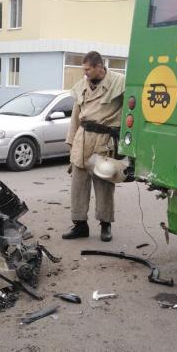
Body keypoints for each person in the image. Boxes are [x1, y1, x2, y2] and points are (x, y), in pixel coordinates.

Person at [62, 51, 125, 242]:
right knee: (78, 187)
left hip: (104, 141)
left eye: (88, 69)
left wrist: (126, 145)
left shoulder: (119, 82)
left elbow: (132, 112)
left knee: (104, 186)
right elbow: (75, 117)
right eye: (84, 69)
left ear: (99, 66)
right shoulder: (81, 86)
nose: (85, 73)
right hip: (82, 140)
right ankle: (80, 225)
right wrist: (71, 143)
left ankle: (106, 226)